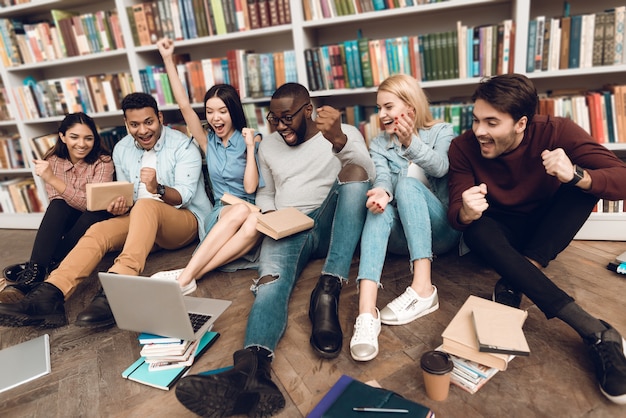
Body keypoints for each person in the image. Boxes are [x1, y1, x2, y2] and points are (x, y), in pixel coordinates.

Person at [173, 82, 375, 417]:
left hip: (328, 220)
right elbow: (265, 193)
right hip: (287, 226)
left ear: (307, 110)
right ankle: (252, 369)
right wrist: (269, 216)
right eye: (273, 119)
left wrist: (339, 141)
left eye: (287, 118)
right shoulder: (268, 146)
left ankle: (327, 290)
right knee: (269, 286)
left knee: (353, 173)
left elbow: (368, 177)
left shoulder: (345, 132)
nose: (280, 127)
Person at [447, 73, 626, 404]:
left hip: (545, 232)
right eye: (475, 120)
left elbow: (621, 177)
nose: (479, 131)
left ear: (521, 124)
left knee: (584, 189)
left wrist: (576, 175)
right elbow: (456, 212)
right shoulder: (462, 148)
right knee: (478, 227)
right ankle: (594, 329)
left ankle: (518, 276)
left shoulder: (557, 131)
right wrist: (466, 212)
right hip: (499, 235)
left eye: (491, 122)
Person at [0, 92, 212, 329]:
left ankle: (118, 287)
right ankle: (49, 296)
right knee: (99, 230)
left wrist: (157, 188)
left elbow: (184, 196)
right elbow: (128, 196)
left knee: (146, 204)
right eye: (134, 124)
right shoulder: (122, 149)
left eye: (148, 122)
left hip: (183, 221)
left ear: (160, 118)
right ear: (126, 124)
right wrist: (119, 204)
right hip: (140, 219)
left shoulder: (183, 145)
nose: (142, 130)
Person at [350, 74, 461, 362]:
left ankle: (423, 288)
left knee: (408, 185)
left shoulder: (441, 132)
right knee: (379, 209)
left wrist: (410, 141)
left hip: (441, 232)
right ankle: (366, 314)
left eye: (388, 107)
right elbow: (384, 178)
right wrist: (380, 194)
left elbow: (441, 168)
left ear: (410, 108)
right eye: (378, 108)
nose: (381, 115)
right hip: (404, 237)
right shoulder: (378, 144)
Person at [154, 38, 264, 288]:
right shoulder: (207, 141)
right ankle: (186, 277)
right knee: (240, 211)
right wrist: (168, 58)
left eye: (222, 111)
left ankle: (191, 274)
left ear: (233, 111)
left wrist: (249, 147)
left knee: (252, 219)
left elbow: (249, 190)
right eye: (210, 111)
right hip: (222, 211)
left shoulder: (251, 138)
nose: (215, 118)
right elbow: (183, 105)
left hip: (250, 211)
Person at [0, 112, 114, 303]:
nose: (82, 144)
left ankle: (36, 267)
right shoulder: (52, 161)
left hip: (95, 220)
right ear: (62, 136)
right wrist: (56, 180)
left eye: (88, 138)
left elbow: (91, 204)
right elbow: (57, 200)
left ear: (95, 139)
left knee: (92, 213)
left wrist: (52, 178)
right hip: (68, 223)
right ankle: (35, 275)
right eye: (74, 137)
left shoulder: (103, 162)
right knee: (58, 205)